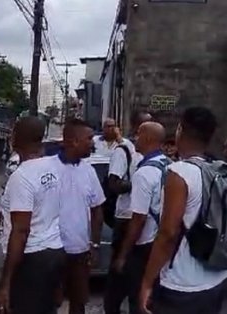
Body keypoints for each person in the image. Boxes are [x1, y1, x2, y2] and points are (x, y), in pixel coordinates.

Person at [140, 107, 227, 314]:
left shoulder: (179, 172)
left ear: (180, 130)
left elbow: (168, 234)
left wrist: (146, 282)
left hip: (182, 285)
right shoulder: (220, 168)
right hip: (218, 278)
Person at [0, 116, 65, 314]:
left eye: (13, 132)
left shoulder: (22, 177)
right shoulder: (55, 167)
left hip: (31, 261)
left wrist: (5, 283)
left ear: (18, 137)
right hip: (54, 252)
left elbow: (21, 231)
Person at [111, 122, 169, 314]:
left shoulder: (144, 173)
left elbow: (138, 219)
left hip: (145, 246)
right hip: (163, 241)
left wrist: (123, 255)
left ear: (148, 139)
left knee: (138, 299)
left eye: (138, 134)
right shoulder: (169, 165)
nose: (135, 137)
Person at [104, 109, 152, 314]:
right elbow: (113, 184)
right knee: (119, 275)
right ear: (136, 128)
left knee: (137, 279)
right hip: (125, 220)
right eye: (144, 126)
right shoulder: (124, 151)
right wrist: (139, 184)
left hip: (144, 221)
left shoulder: (148, 154)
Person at [58, 119, 106, 314]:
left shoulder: (88, 171)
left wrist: (94, 245)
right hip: (51, 251)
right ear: (74, 141)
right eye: (89, 138)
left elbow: (97, 211)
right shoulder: (47, 169)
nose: (93, 143)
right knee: (48, 300)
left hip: (79, 251)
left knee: (79, 301)